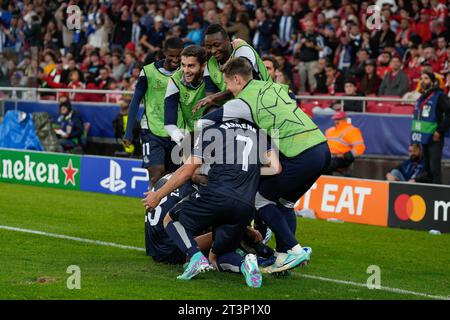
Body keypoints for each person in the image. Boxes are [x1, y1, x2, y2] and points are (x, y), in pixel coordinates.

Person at [199, 58, 330, 273]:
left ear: (237, 79)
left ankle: (294, 249)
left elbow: (206, 122)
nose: (228, 89)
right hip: (322, 147)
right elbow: (289, 99)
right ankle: (283, 257)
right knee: (286, 203)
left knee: (261, 197)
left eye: (228, 84)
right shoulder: (273, 85)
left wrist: (191, 143)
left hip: (299, 152)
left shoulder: (240, 103)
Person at [144, 106, 281, 287]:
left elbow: (189, 172)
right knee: (222, 244)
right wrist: (246, 231)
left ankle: (205, 258)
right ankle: (250, 260)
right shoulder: (257, 133)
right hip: (175, 246)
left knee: (212, 245)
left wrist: (157, 195)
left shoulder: (207, 139)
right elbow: (276, 168)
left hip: (158, 245)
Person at [123, 37, 184, 188]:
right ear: (164, 53)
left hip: (177, 132)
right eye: (172, 55)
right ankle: (151, 209)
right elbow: (135, 101)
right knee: (157, 173)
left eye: (179, 56)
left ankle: (166, 210)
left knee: (174, 177)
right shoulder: (148, 71)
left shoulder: (186, 73)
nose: (176, 59)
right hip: (152, 130)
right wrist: (129, 131)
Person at [145, 173, 213, 264]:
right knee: (229, 230)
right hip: (174, 251)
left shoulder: (168, 177)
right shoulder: (192, 187)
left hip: (156, 249)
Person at [198, 24, 271, 106]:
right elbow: (209, 98)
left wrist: (213, 98)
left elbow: (240, 85)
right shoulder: (210, 64)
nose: (213, 50)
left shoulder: (243, 50)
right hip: (238, 107)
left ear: (227, 40)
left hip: (264, 100)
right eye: (209, 47)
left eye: (217, 45)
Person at [163, 45, 207, 147]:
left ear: (203, 66)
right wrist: (183, 141)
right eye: (183, 65)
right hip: (191, 137)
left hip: (217, 135)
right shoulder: (175, 79)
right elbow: (169, 123)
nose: (186, 71)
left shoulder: (214, 78)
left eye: (191, 66)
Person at [411, 71, 450, 184]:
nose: (423, 81)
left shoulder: (440, 96)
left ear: (433, 82)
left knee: (434, 169)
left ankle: (438, 196)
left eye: (426, 78)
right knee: (426, 170)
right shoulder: (422, 98)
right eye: (421, 79)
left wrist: (439, 131)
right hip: (423, 138)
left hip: (434, 138)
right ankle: (427, 196)